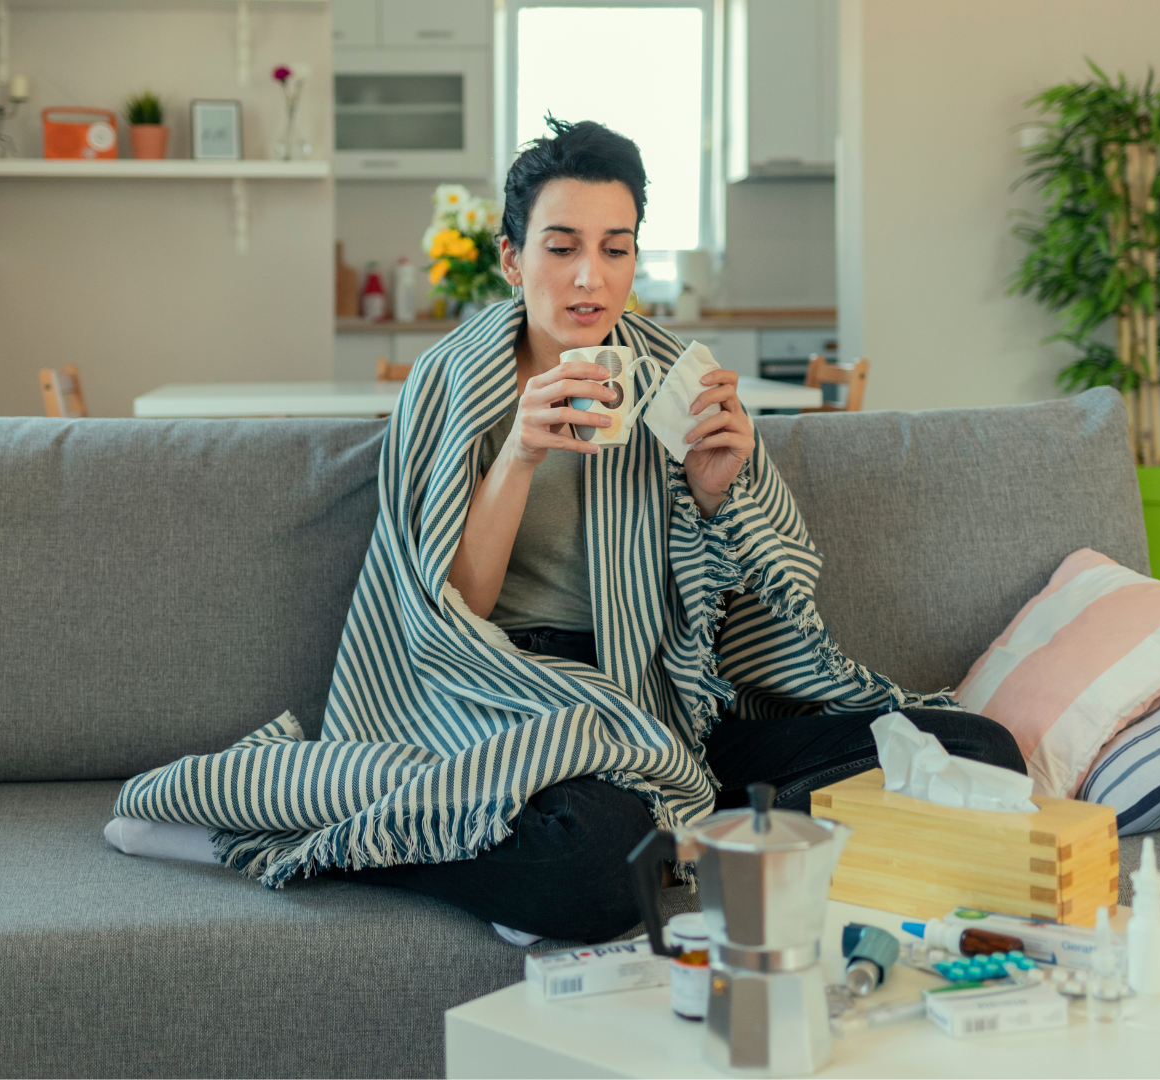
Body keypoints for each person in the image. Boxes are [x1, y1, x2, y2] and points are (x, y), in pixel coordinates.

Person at [324, 117, 1025, 941]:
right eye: (561, 246)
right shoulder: (455, 381)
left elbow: (765, 599)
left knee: (978, 753)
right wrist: (518, 452)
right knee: (596, 872)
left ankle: (688, 827)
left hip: (663, 706)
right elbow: (449, 611)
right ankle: (383, 845)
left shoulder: (669, 379)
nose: (590, 277)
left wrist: (718, 494)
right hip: (519, 704)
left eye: (616, 249)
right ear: (512, 259)